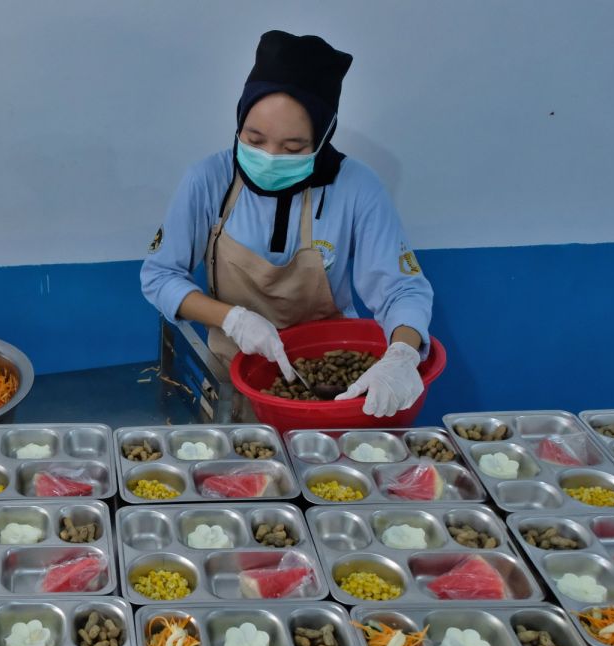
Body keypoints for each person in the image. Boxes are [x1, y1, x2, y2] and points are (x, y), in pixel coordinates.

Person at [141, 30, 434, 420]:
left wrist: (401, 353)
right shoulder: (208, 181)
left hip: (331, 387)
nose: (270, 157)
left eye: (294, 148)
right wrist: (232, 319)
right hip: (230, 377)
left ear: (322, 136)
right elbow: (160, 277)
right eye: (254, 138)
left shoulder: (357, 188)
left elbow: (402, 290)